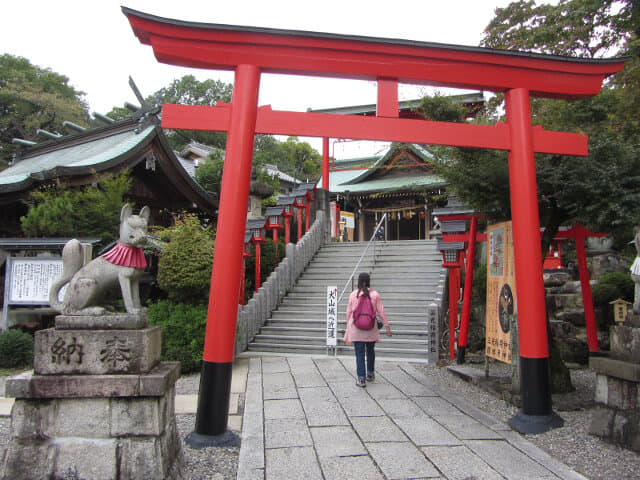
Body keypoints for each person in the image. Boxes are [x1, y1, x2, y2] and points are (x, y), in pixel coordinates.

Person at [343, 272, 392, 387]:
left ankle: (361, 379)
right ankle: (370, 373)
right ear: (369, 281)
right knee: (370, 351)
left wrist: (348, 328)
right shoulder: (374, 295)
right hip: (371, 328)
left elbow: (349, 313)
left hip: (356, 328)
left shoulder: (353, 294)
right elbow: (381, 312)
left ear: (358, 282)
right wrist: (387, 327)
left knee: (359, 353)